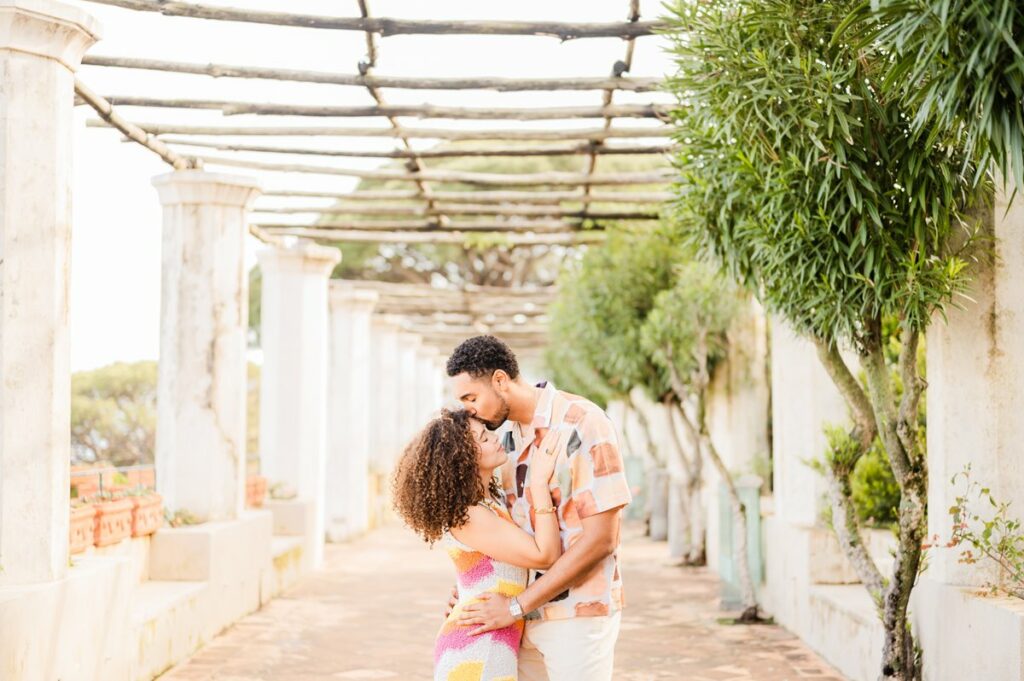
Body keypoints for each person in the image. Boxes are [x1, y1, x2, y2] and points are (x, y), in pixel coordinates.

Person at [445, 335, 632, 681]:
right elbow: (503, 530)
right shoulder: (504, 439)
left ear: (500, 380)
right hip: (516, 620)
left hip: (576, 615)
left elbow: (602, 539)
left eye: (471, 397)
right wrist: (474, 584)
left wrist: (518, 605)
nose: (468, 409)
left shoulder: (582, 423)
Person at [393, 408, 567, 681]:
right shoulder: (470, 514)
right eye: (484, 439)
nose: (494, 438)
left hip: (490, 640)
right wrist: (539, 484)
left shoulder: (489, 503)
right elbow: (545, 555)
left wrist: (464, 591)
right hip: (477, 649)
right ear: (463, 459)